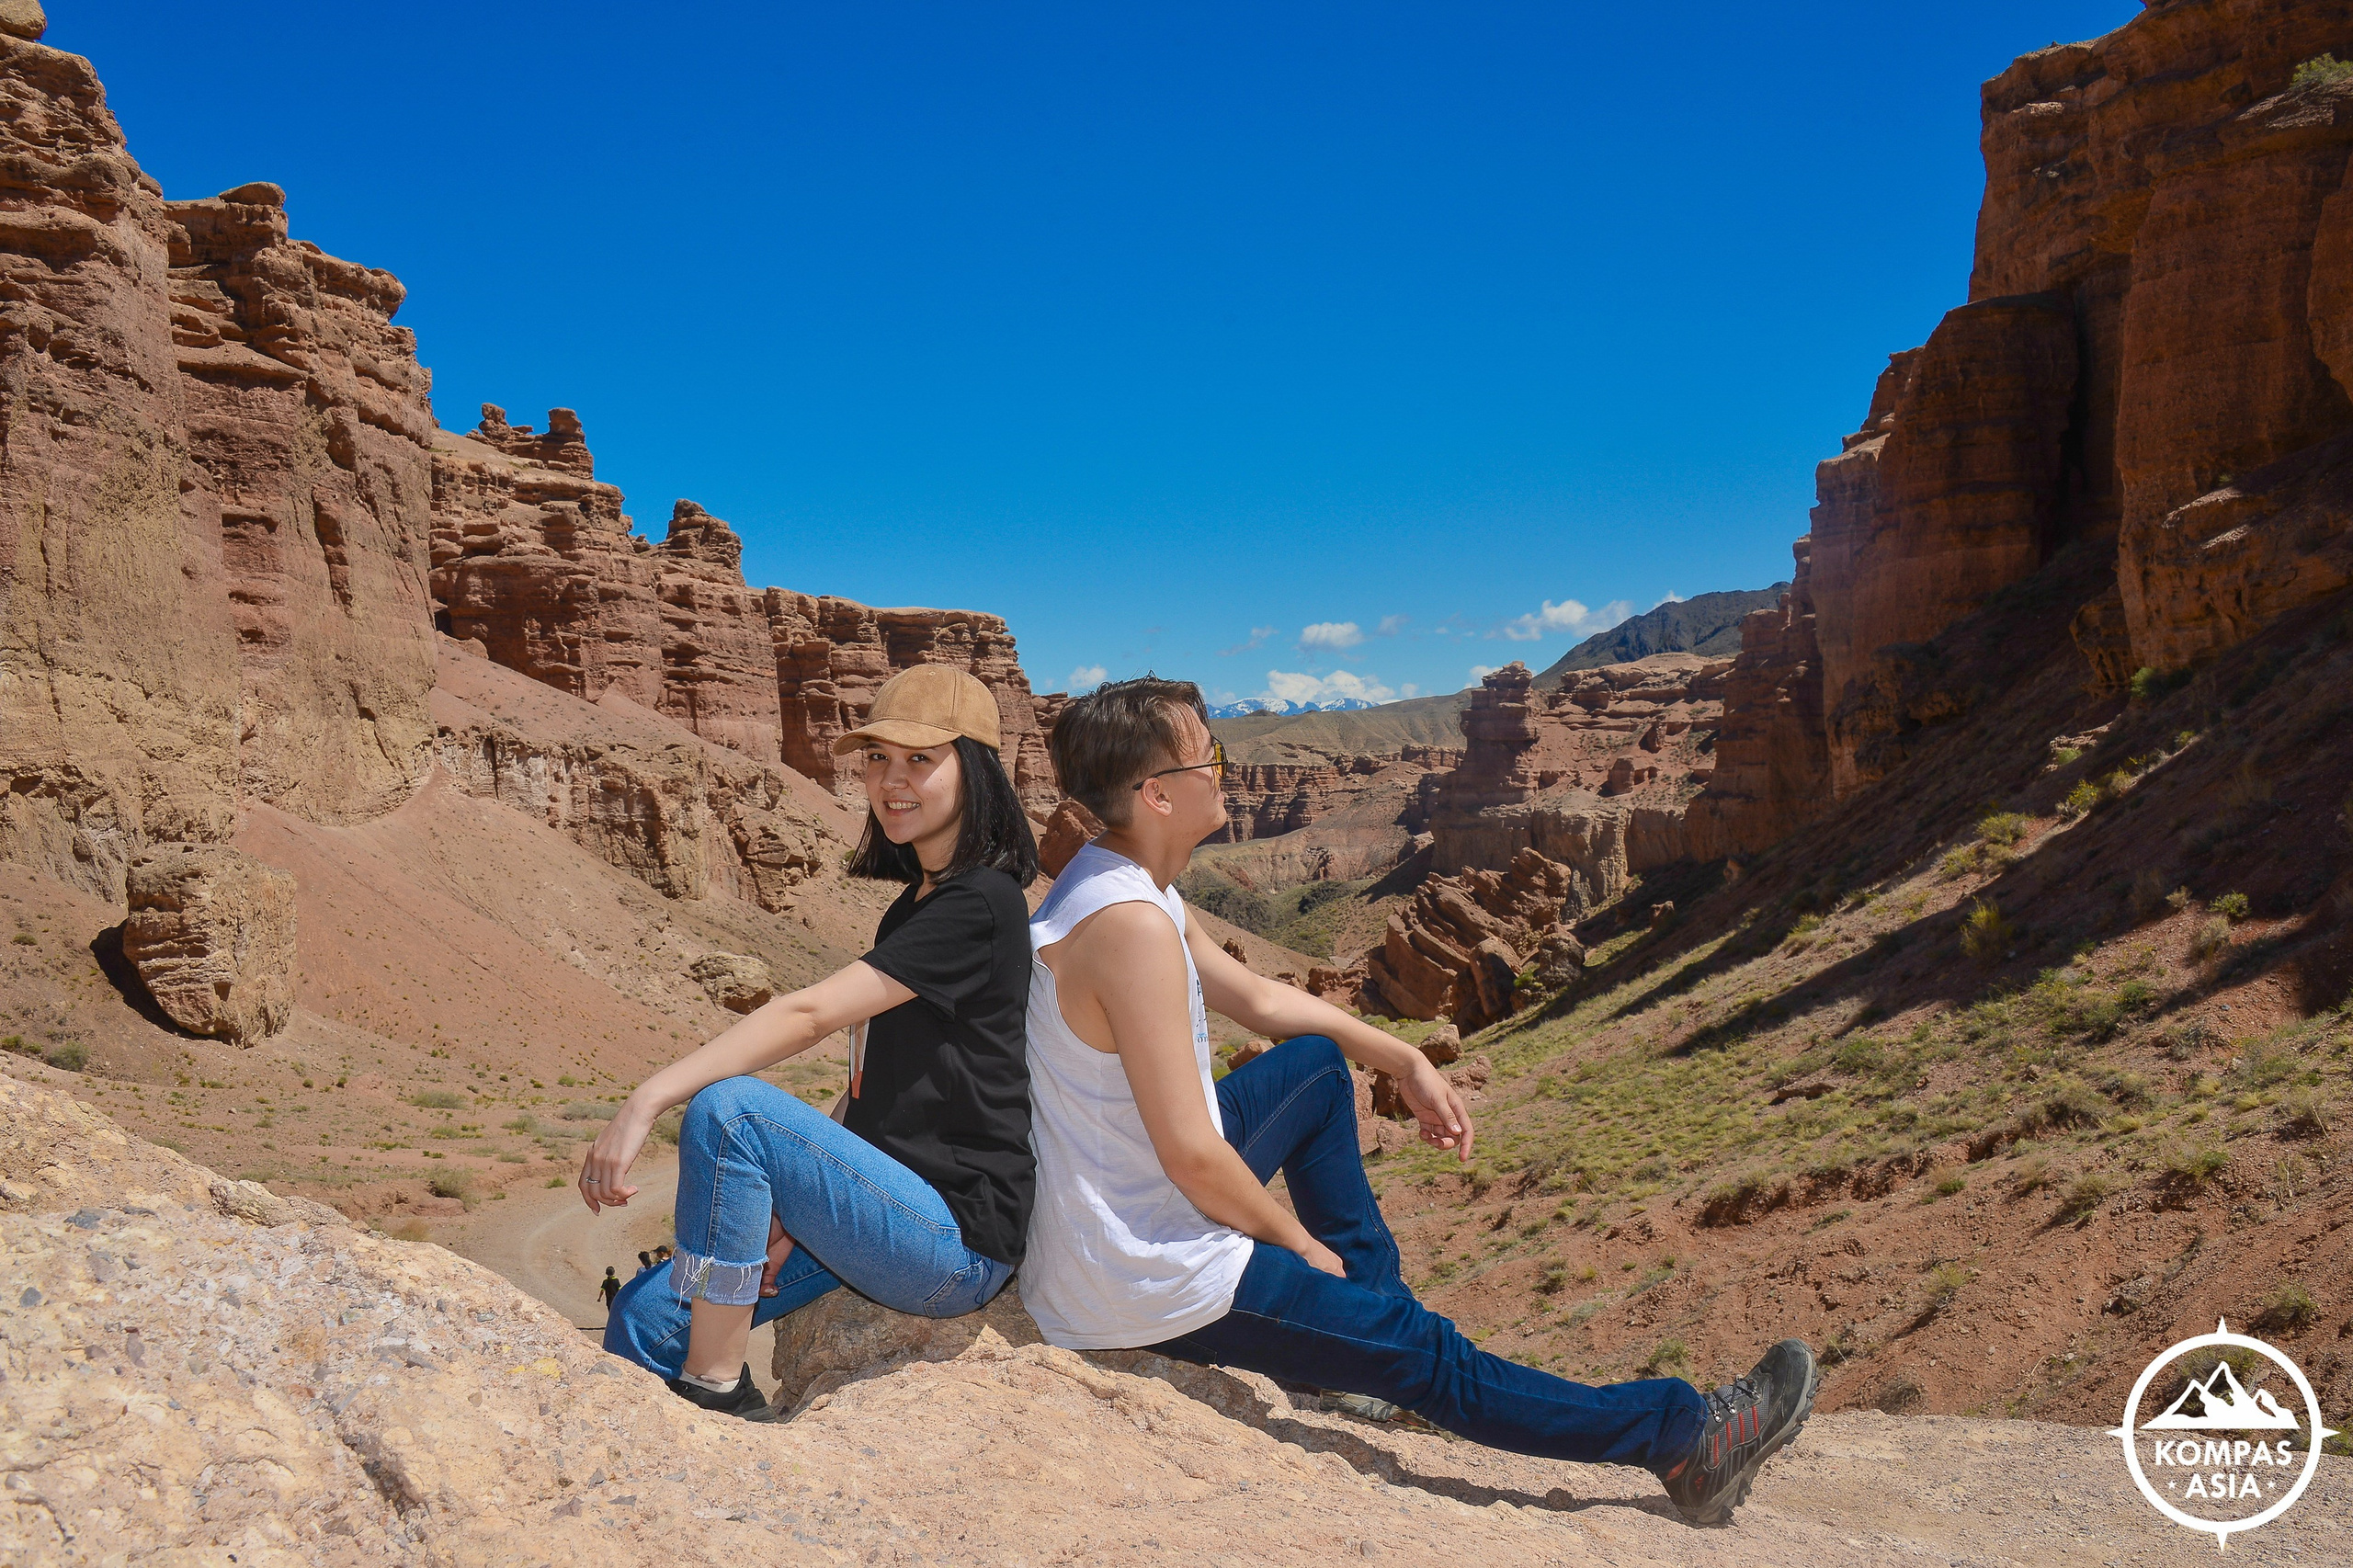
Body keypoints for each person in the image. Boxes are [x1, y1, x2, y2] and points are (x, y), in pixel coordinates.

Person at [1021, 676, 1817, 1525]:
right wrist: (1297, 1245)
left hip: (1126, 1206)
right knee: (1428, 1354)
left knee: (1319, 1068)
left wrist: (1402, 1058)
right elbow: (1190, 1155)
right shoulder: (1129, 929)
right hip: (1144, 1272)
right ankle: (1685, 1440)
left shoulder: (1130, 886)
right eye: (1207, 757)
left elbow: (1256, 998)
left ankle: (1360, 1345)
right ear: (1156, 794)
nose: (1224, 770)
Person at [586, 665, 1041, 1421]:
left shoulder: (983, 902)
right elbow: (875, 1083)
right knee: (644, 1315)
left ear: (980, 771)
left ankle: (717, 1391)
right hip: (883, 1216)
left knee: (733, 1112)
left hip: (950, 1243)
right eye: (877, 759)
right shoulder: (916, 905)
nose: (889, 781)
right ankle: (686, 1459)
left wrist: (649, 1097)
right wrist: (798, 1212)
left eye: (919, 759)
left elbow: (811, 1014)